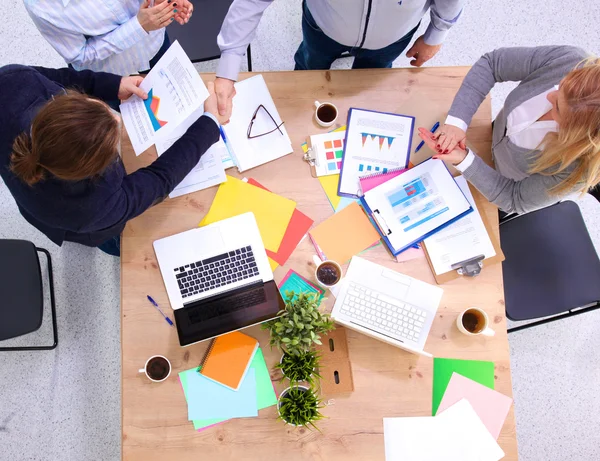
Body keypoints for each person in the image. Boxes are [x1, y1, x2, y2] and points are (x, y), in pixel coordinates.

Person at [0, 64, 224, 257]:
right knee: (117, 239)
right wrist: (209, 124)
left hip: (35, 200)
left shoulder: (11, 81)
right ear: (94, 169)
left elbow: (61, 78)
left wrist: (112, 85)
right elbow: (159, 179)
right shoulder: (97, 205)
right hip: (82, 224)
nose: (117, 117)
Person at [417, 46, 600, 215]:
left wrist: (464, 160)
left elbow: (513, 199)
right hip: (486, 137)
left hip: (497, 185)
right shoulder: (571, 60)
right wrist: (457, 122)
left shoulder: (578, 169)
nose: (549, 95)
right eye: (561, 85)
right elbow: (492, 64)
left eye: (558, 108)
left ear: (575, 134)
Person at [214, 0, 465, 120]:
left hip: (390, 40)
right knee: (309, 66)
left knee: (369, 88)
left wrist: (435, 36)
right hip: (323, 28)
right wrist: (228, 66)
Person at [24, 0, 194, 76]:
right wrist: (138, 26)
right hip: (109, 75)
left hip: (153, 42)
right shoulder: (41, 6)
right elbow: (80, 56)